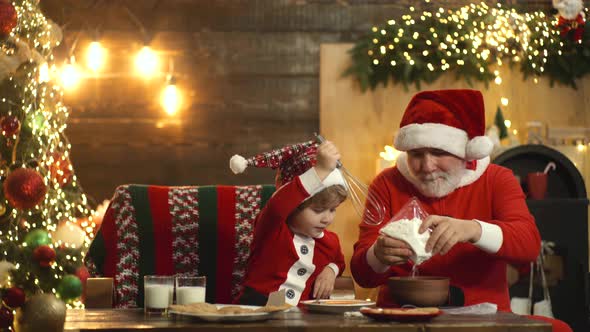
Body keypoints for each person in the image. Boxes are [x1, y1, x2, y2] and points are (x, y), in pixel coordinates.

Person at [350, 89, 572, 332]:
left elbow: (528, 245)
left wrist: (473, 229)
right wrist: (377, 255)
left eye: (439, 152)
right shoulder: (387, 183)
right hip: (401, 318)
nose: (426, 166)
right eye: (416, 154)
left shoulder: (496, 180)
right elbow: (363, 275)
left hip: (485, 320)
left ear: (465, 151)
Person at [229, 139, 347, 306]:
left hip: (300, 319)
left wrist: (331, 270)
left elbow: (339, 262)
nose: (327, 218)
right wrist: (320, 171)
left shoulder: (331, 242)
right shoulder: (273, 228)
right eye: (318, 210)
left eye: (332, 210)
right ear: (294, 206)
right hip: (255, 312)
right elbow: (279, 204)